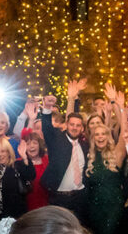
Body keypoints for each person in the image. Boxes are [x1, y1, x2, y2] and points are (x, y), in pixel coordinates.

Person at [38, 84, 90, 223]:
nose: (74, 127)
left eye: (78, 125)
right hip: (59, 198)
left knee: (79, 232)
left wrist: (75, 99)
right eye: (72, 124)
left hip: (80, 197)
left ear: (82, 128)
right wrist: (47, 108)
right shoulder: (56, 139)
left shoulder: (85, 145)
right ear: (67, 124)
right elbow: (47, 127)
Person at [84, 122, 127, 234]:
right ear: (93, 138)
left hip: (113, 204)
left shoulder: (116, 154)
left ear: (108, 137)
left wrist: (120, 108)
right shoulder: (89, 157)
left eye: (103, 133)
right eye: (97, 134)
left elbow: (123, 133)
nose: (100, 137)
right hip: (95, 205)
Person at [0, 139, 29, 222]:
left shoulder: (17, 167)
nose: (0, 155)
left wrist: (25, 158)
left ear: (9, 152)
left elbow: (30, 174)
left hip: (15, 216)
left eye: (3, 151)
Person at [19, 133, 51, 212]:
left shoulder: (48, 160)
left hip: (47, 204)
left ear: (40, 145)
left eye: (35, 143)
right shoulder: (19, 163)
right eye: (28, 144)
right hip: (26, 206)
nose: (31, 146)